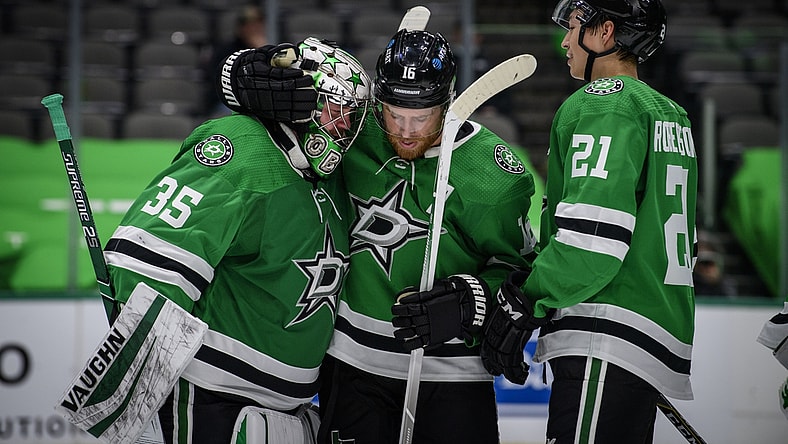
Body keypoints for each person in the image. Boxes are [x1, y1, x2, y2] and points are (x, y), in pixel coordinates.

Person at [219, 29, 538, 443]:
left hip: (453, 375)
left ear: (447, 104)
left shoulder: (492, 177)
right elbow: (278, 92)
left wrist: (468, 301)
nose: (405, 131)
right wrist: (244, 73)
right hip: (353, 370)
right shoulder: (353, 131)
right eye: (393, 113)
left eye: (420, 117)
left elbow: (520, 271)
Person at [103, 38, 371, 443]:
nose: (345, 126)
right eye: (337, 109)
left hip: (288, 413)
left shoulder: (332, 181)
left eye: (353, 115)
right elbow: (145, 263)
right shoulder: (244, 148)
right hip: (212, 403)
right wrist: (143, 388)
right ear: (305, 99)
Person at [479, 1, 700, 443]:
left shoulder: (605, 105)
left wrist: (526, 298)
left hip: (605, 330)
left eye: (575, 26)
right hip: (646, 329)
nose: (564, 40)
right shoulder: (669, 113)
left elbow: (594, 240)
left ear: (605, 33)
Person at [204, 5, 268, 117]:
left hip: (260, 101)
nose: (254, 29)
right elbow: (217, 80)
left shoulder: (270, 49)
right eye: (249, 25)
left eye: (257, 25)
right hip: (229, 101)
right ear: (240, 28)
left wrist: (262, 50)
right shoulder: (225, 50)